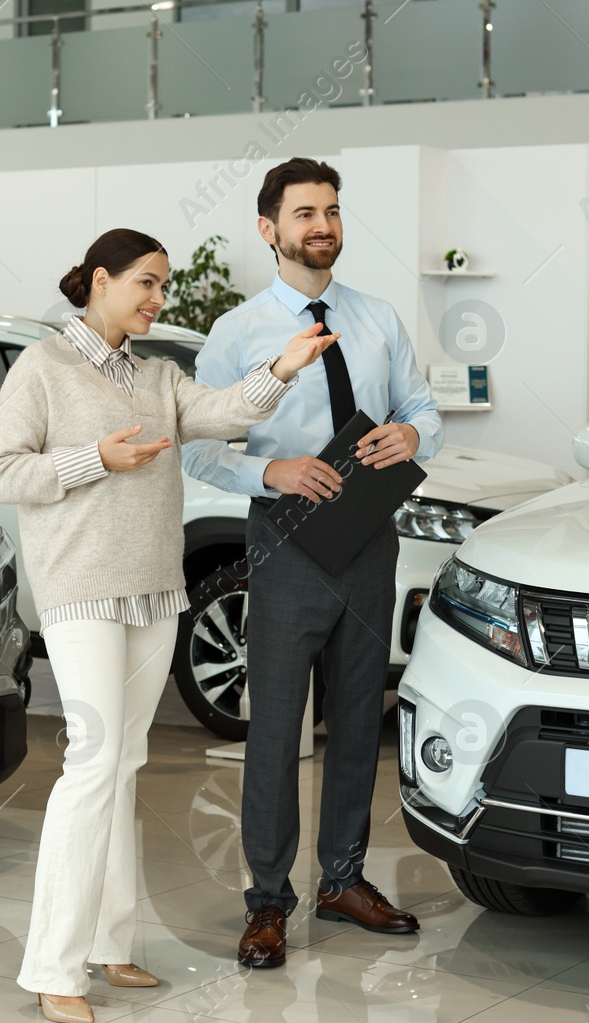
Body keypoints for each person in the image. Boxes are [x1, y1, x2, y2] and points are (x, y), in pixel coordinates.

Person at [0, 228, 335, 1023]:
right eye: (145, 282)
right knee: (95, 759)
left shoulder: (157, 375)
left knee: (126, 759)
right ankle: (52, 964)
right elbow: (5, 472)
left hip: (151, 592)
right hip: (80, 592)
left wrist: (282, 366)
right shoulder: (43, 369)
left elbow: (221, 412)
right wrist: (92, 461)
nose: (156, 298)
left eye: (163, 286)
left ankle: (112, 944)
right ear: (99, 280)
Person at [182, 158, 443, 968]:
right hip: (286, 540)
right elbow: (196, 442)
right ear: (270, 229)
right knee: (277, 725)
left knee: (362, 717)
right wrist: (272, 470)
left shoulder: (376, 318)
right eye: (304, 213)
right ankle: (266, 901)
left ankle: (343, 879)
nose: (321, 225)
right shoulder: (238, 332)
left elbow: (422, 408)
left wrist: (414, 436)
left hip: (369, 540)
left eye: (330, 210)